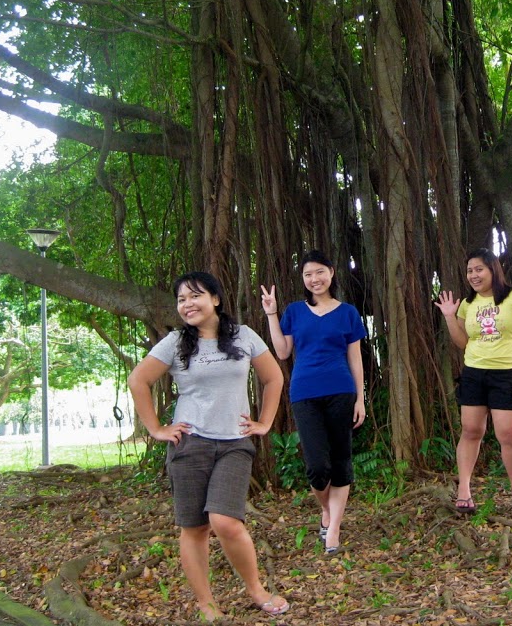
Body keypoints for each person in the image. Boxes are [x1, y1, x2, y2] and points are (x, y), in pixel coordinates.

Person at [127, 272, 288, 619]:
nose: (187, 304)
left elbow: (273, 377)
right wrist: (155, 428)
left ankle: (256, 589)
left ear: (215, 298)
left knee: (225, 521)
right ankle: (206, 602)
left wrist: (265, 422)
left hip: (234, 443)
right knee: (195, 528)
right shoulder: (174, 342)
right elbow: (138, 380)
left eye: (195, 296)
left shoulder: (244, 336)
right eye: (181, 299)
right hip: (190, 443)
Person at [261, 250, 366, 555]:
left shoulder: (348, 313)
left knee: (341, 459)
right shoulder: (294, 311)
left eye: (320, 272)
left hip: (341, 390)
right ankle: (326, 509)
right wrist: (271, 314)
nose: (314, 279)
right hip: (304, 393)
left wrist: (360, 398)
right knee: (317, 467)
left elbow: (355, 358)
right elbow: (283, 352)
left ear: (331, 273)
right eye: (308, 274)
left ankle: (333, 529)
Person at [434, 248, 512, 513]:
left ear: (493, 269)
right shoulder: (467, 304)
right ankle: (464, 490)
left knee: (507, 434)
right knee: (471, 430)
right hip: (474, 372)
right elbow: (462, 342)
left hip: (505, 373)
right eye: (469, 271)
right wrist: (449, 316)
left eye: (479, 269)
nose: (473, 275)